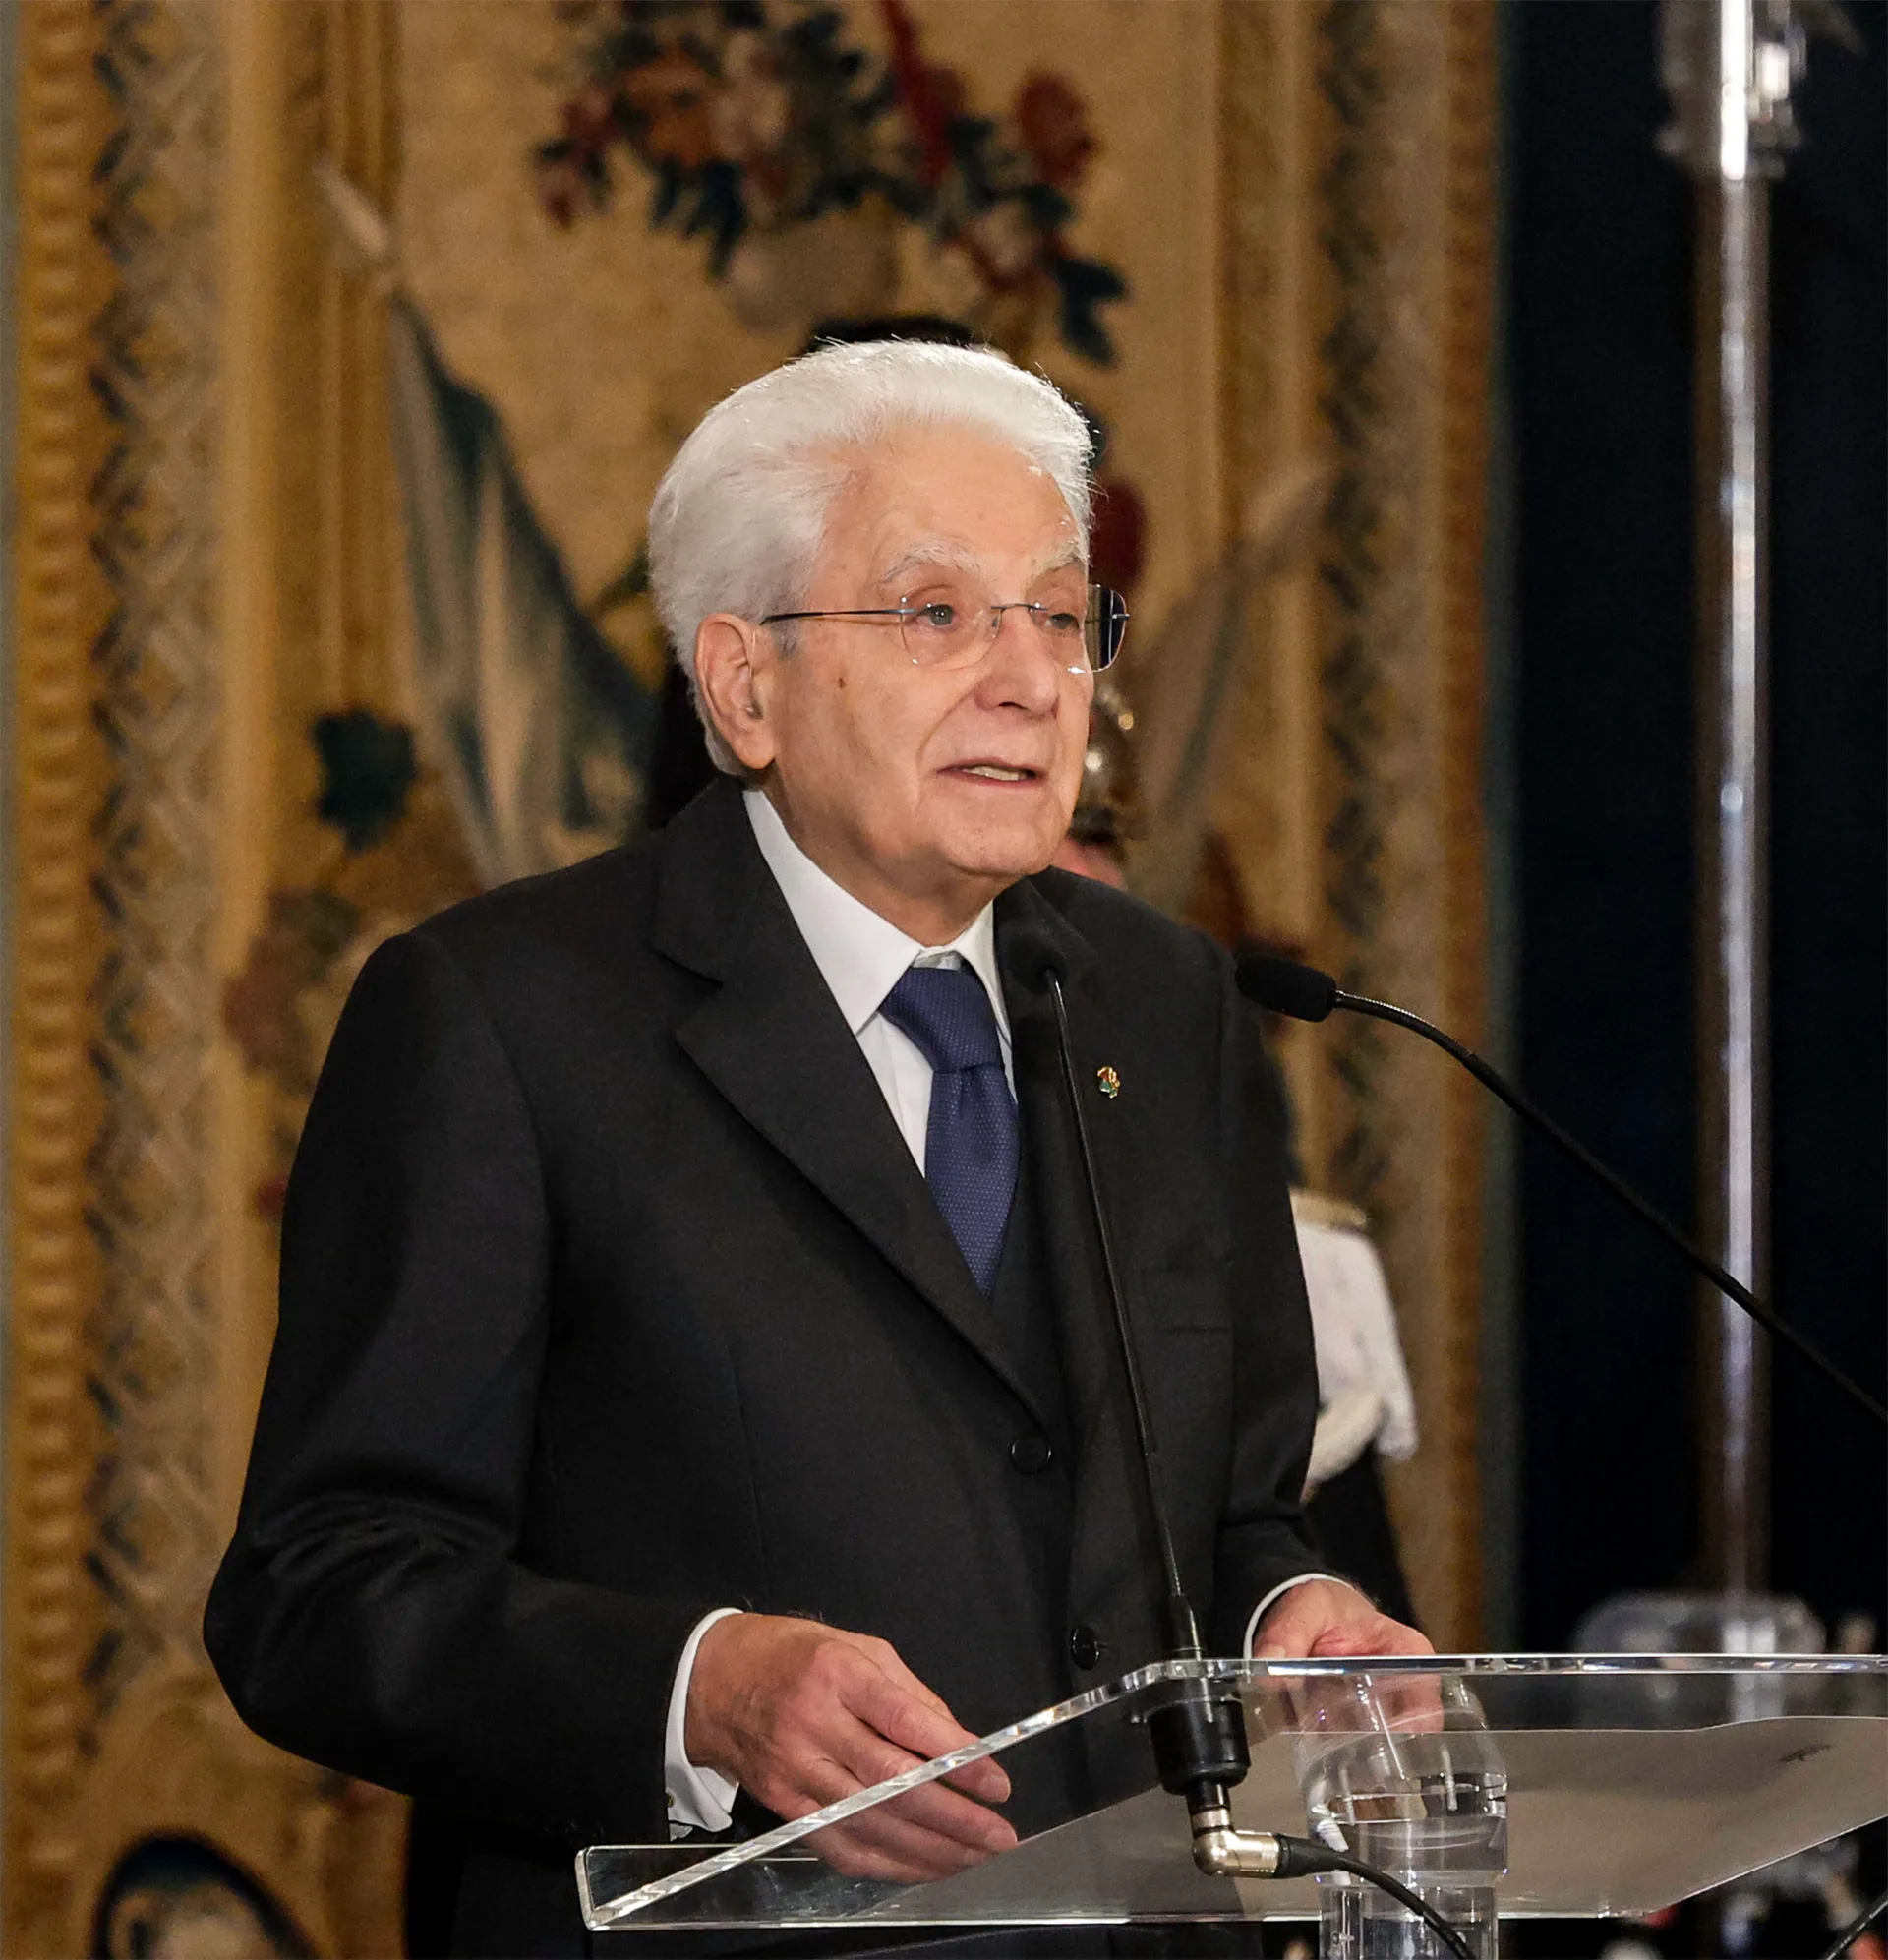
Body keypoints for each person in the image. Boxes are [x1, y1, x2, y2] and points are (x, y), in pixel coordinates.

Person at [205, 340, 1427, 1958]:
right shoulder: (503, 1019)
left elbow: (1238, 1509)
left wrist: (1292, 1618)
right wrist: (699, 1690)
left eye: (1061, 616)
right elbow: (318, 1588)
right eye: (937, 614)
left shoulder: (1172, 1003)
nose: (1030, 678)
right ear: (744, 686)